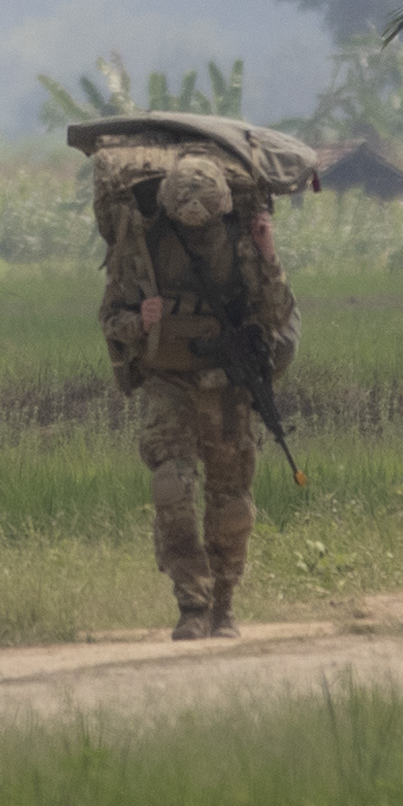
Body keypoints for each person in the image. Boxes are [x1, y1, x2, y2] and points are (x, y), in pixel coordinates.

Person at [100, 150, 297, 640]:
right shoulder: (143, 248)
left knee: (230, 501)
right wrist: (138, 320)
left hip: (227, 386)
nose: (194, 225)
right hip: (169, 383)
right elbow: (110, 319)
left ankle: (225, 602)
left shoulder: (242, 245)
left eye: (203, 216)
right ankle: (192, 602)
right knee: (172, 488)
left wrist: (269, 254)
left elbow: (275, 314)